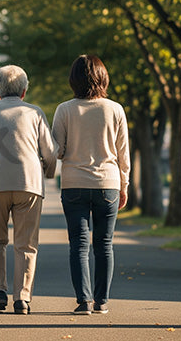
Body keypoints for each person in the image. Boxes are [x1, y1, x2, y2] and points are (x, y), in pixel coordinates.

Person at [0, 65, 57, 315]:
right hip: (29, 185)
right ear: (24, 91)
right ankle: (22, 298)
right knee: (26, 244)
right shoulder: (35, 113)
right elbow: (50, 153)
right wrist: (47, 174)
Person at [52, 54, 130, 315]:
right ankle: (102, 301)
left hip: (74, 183)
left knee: (79, 244)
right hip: (108, 182)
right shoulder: (115, 109)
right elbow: (123, 152)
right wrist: (124, 184)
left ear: (73, 80)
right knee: (104, 244)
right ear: (103, 77)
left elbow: (58, 150)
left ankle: (83, 301)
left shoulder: (64, 110)